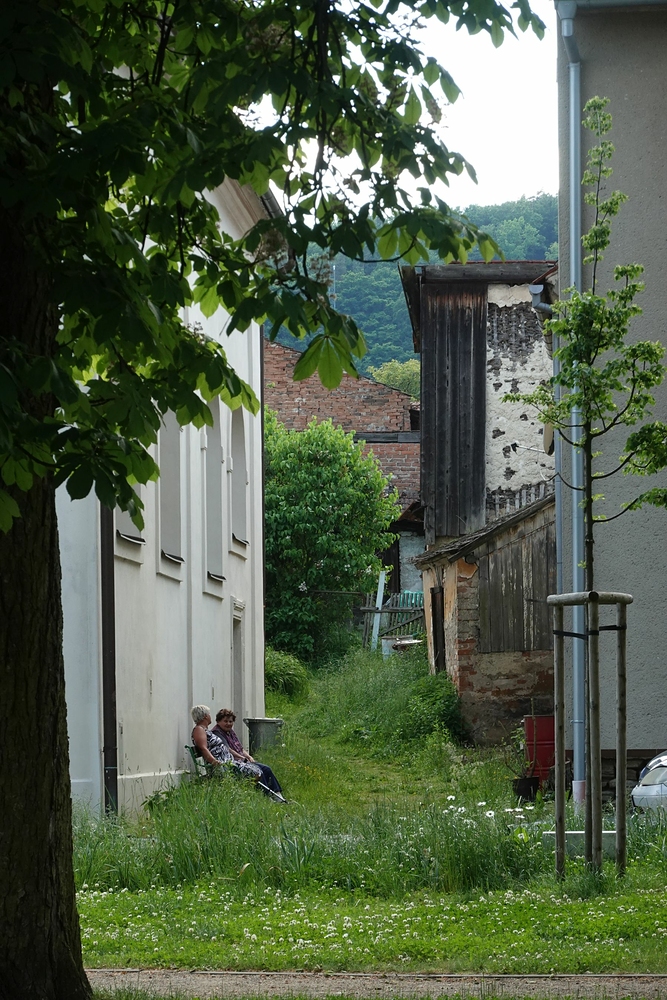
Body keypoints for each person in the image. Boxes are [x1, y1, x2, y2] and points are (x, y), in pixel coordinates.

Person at [212, 708, 286, 802]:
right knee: (258, 771)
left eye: (230, 721)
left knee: (266, 769)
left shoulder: (230, 732)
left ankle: (278, 795)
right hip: (233, 763)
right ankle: (266, 797)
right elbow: (228, 750)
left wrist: (249, 756)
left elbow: (240, 748)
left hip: (242, 760)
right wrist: (242, 758)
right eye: (225, 721)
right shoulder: (217, 733)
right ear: (218, 721)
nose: (228, 724)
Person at [190, 705, 264, 781]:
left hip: (228, 762)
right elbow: (203, 748)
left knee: (257, 770)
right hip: (222, 765)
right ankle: (248, 789)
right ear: (205, 716)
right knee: (255, 771)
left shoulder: (205, 730)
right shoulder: (199, 729)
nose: (210, 716)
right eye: (209, 714)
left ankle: (253, 790)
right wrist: (214, 762)